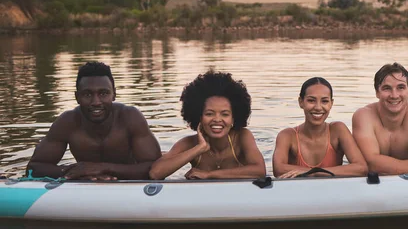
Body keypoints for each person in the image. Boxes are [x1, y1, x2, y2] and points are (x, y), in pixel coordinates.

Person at [26, 61, 162, 180]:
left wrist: (101, 168)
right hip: (85, 187)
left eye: (103, 93)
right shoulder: (67, 122)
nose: (96, 102)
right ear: (77, 97)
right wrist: (79, 172)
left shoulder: (130, 117)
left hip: (130, 187)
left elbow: (156, 168)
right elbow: (34, 168)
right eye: (87, 94)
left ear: (114, 94)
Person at [149, 70, 266, 180]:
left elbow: (260, 171)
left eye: (225, 114)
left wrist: (209, 174)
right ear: (199, 116)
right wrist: (200, 148)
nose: (217, 119)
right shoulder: (190, 143)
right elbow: (155, 173)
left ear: (233, 119)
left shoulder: (242, 136)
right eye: (209, 114)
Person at [272, 77, 368, 178]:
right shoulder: (287, 136)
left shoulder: (338, 130)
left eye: (324, 101)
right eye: (311, 100)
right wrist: (320, 173)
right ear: (301, 102)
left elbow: (361, 168)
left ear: (331, 103)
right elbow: (278, 169)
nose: (318, 107)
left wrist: (315, 172)